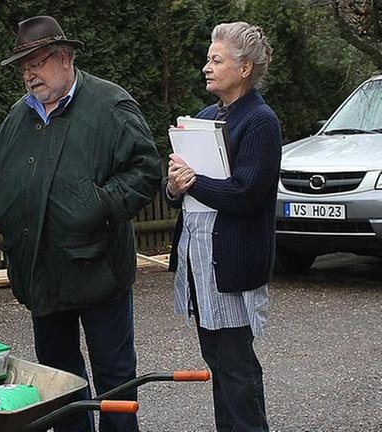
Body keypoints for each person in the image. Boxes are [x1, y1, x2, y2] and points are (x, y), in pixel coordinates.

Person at [0, 16, 162, 432]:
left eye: (36, 64)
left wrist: (96, 206)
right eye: (23, 68)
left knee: (115, 376)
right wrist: (7, 208)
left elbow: (146, 169)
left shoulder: (109, 105)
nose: (29, 75)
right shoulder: (19, 116)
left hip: (99, 268)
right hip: (43, 272)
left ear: (64, 58)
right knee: (59, 379)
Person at [165, 22, 280, 431]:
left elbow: (247, 194)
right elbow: (181, 186)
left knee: (236, 367)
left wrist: (194, 180)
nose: (206, 68)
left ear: (245, 67)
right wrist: (175, 185)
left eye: (216, 60)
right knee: (218, 362)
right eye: (207, 59)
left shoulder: (261, 122)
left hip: (230, 261)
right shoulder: (204, 118)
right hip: (201, 262)